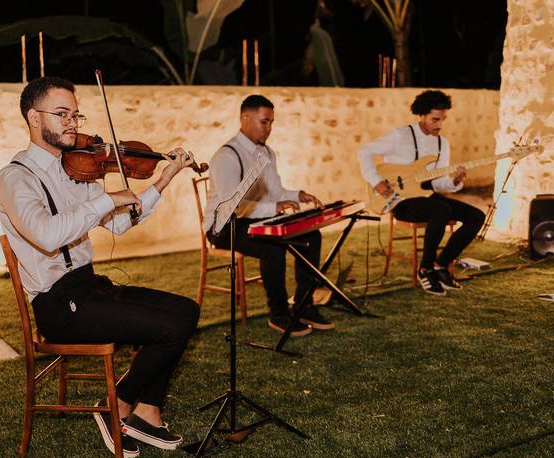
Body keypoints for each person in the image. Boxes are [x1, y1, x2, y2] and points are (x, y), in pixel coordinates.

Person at [0, 77, 200, 458]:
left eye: (75, 115)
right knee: (169, 329)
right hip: (59, 305)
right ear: (34, 118)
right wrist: (105, 199)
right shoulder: (15, 178)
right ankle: (116, 405)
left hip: (91, 288)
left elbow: (119, 223)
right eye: (62, 114)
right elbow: (47, 235)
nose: (72, 123)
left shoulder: (80, 168)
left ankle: (146, 411)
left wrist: (163, 179)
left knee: (186, 310)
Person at [203, 94, 333, 336]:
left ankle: (304, 305)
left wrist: (298, 195)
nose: (269, 128)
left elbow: (276, 193)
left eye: (272, 122)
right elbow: (231, 205)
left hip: (257, 219)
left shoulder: (267, 153)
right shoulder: (227, 156)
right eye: (264, 121)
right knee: (272, 247)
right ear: (245, 118)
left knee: (311, 236)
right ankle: (279, 313)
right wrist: (275, 207)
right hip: (223, 227)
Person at [358, 90, 486, 296]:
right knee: (440, 209)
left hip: (427, 197)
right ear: (422, 115)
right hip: (399, 200)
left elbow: (438, 182)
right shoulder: (400, 136)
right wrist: (376, 181)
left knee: (476, 216)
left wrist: (454, 181)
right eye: (435, 119)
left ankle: (441, 265)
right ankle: (425, 270)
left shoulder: (442, 144)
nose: (440, 125)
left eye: (443, 119)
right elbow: (364, 151)